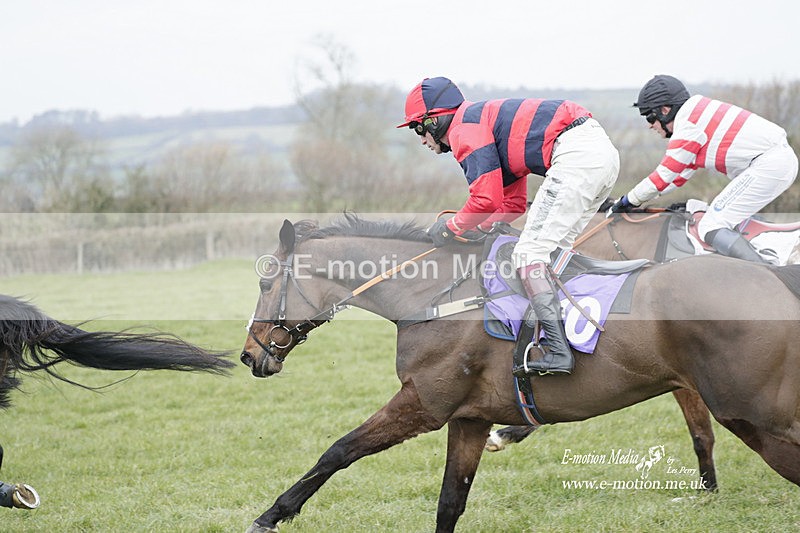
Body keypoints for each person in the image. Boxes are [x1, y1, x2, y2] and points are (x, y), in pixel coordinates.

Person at [398, 76, 620, 375]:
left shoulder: (465, 129)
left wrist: (451, 227)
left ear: (435, 121)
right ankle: (568, 335)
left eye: (418, 128)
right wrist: (475, 229)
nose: (421, 139)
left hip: (577, 156)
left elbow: (485, 199)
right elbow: (511, 204)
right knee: (551, 254)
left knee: (528, 255)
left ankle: (557, 351)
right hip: (598, 154)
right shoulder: (485, 125)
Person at [610, 74, 799, 263]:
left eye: (649, 117)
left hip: (769, 165)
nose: (650, 126)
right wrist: (631, 201)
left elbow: (663, 177)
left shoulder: (688, 127)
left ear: (665, 110)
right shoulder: (696, 115)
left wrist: (627, 201)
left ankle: (766, 274)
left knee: (710, 225)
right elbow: (676, 178)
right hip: (775, 162)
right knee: (725, 219)